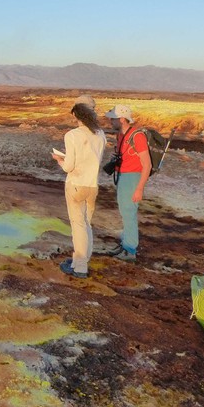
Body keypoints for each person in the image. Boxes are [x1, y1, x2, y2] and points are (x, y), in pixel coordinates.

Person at [52, 99, 106, 278]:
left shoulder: (72, 135)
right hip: (92, 185)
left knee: (78, 225)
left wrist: (59, 160)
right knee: (86, 224)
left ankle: (80, 267)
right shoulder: (100, 134)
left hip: (76, 185)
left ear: (77, 116)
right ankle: (80, 260)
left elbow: (69, 166)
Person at [104, 104, 152, 262]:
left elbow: (147, 164)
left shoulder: (137, 136)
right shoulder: (121, 135)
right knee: (125, 211)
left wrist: (139, 189)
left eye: (113, 118)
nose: (110, 121)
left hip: (132, 177)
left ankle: (130, 249)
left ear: (122, 119)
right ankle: (125, 244)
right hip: (124, 176)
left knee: (129, 213)